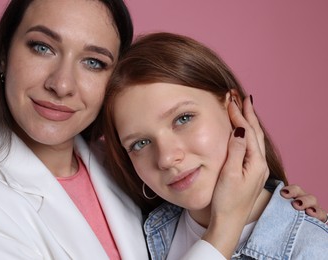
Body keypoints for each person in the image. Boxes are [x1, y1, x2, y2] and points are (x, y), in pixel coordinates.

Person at [0, 0, 325, 259]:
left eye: (93, 62)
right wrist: (226, 226)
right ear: (4, 54)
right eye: (42, 47)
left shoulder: (125, 167)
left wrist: (282, 213)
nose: (62, 84)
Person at [100, 32, 328, 259]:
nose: (166, 158)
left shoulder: (313, 250)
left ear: (234, 108)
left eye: (183, 119)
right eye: (140, 143)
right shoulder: (134, 234)